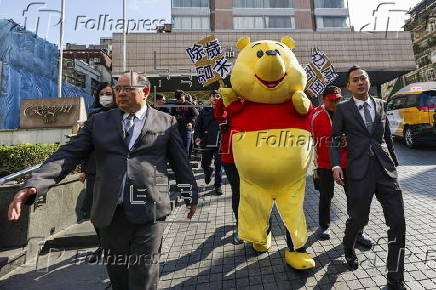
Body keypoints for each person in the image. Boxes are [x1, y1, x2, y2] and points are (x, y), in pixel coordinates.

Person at [8, 72, 198, 290]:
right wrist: (34, 184)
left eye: (127, 89)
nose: (121, 93)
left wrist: (190, 194)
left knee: (144, 273)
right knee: (119, 277)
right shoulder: (99, 122)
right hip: (109, 212)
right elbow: (68, 154)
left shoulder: (166, 121)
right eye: (118, 89)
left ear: (145, 92)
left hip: (150, 210)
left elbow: (180, 163)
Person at [330, 66, 405, 290]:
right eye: (355, 80)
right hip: (358, 171)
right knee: (358, 218)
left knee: (398, 223)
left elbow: (387, 137)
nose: (360, 82)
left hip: (385, 171)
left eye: (363, 78)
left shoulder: (381, 104)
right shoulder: (342, 108)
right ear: (349, 86)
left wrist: (393, 160)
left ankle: (395, 278)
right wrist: (335, 165)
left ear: (369, 81)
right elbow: (334, 139)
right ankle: (348, 246)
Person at [311, 86, 372, 247]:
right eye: (332, 100)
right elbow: (307, 137)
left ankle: (358, 231)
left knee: (354, 197)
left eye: (338, 99)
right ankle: (323, 227)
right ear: (323, 99)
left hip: (347, 162)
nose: (335, 103)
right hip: (324, 164)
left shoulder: (349, 111)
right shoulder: (315, 115)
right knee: (326, 196)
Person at [79, 82, 117, 263]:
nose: (106, 96)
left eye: (109, 93)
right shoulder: (93, 116)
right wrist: (83, 169)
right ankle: (103, 244)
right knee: (95, 211)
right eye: (102, 94)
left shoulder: (124, 114)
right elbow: (84, 145)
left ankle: (114, 244)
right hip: (94, 168)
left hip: (117, 169)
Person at [214, 95, 243, 244]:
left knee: (254, 193)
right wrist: (223, 97)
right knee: (237, 191)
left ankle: (257, 225)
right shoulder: (229, 104)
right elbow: (219, 114)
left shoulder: (253, 102)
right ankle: (241, 226)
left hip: (252, 157)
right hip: (230, 157)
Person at [194, 90, 223, 196]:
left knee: (219, 165)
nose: (215, 98)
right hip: (206, 142)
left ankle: (218, 186)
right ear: (209, 98)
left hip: (220, 142)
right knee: (205, 164)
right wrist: (197, 137)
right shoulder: (204, 111)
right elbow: (198, 126)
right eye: (213, 96)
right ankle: (208, 172)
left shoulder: (225, 110)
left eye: (217, 96)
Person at [171, 90, 198, 158]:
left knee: (186, 148)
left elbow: (196, 115)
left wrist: (191, 122)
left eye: (181, 98)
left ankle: (186, 162)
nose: (180, 100)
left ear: (184, 96)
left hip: (187, 129)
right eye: (178, 99)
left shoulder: (189, 105)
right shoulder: (175, 106)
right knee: (178, 148)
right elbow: (172, 116)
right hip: (177, 129)